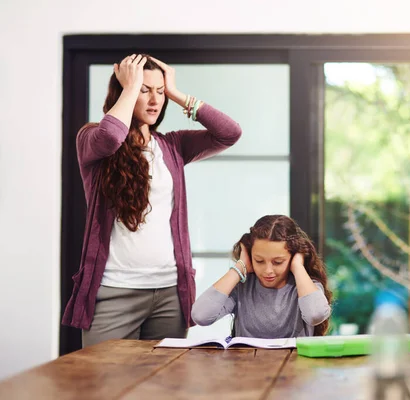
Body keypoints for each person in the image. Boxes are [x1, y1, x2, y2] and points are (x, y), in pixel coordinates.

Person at [62, 54, 242, 347]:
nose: (154, 100)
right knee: (105, 390)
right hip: (112, 292)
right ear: (124, 90)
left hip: (169, 295)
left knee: (162, 388)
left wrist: (177, 94)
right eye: (144, 89)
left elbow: (229, 133)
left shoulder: (172, 145)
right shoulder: (91, 139)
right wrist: (130, 88)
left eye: (159, 92)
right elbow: (111, 136)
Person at [191, 215, 332, 338]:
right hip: (247, 365)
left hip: (293, 366)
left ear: (293, 257)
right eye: (259, 261)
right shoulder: (242, 287)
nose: (268, 270)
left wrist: (298, 267)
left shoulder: (306, 287)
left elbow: (315, 315)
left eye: (278, 262)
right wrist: (239, 267)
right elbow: (201, 316)